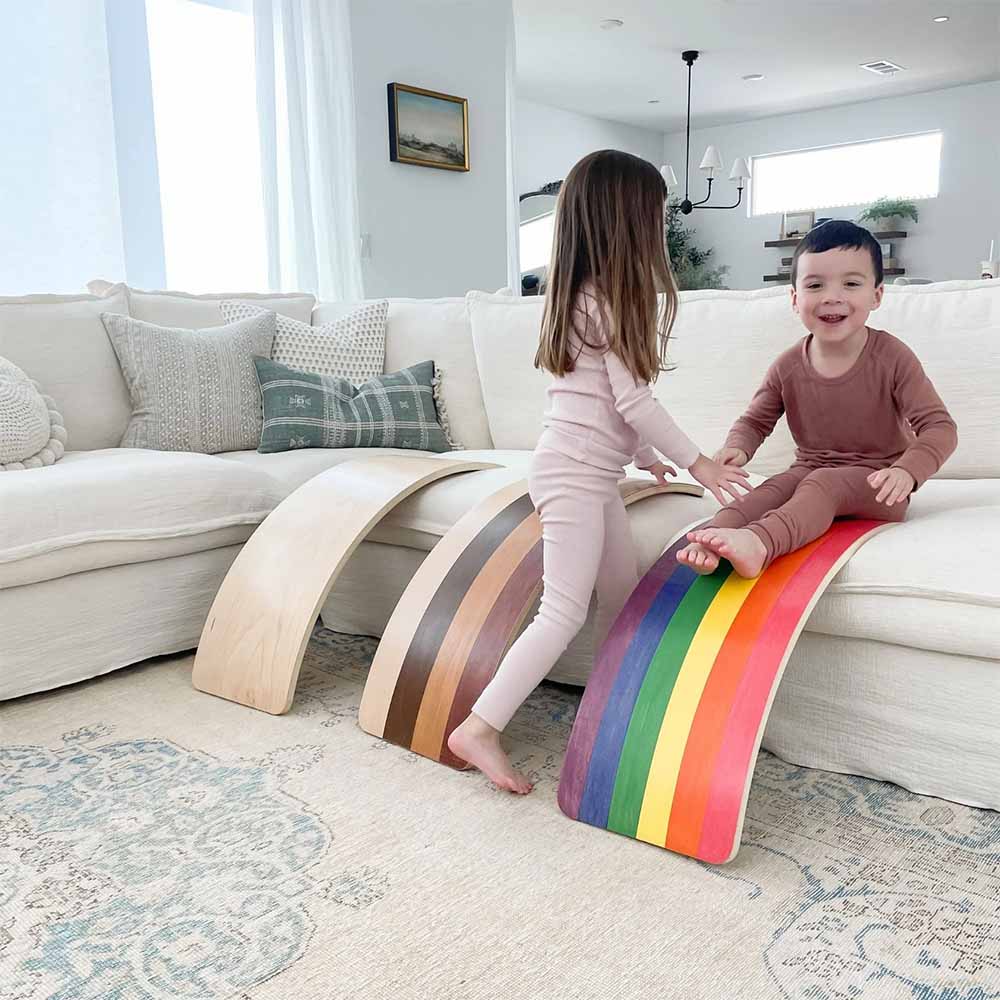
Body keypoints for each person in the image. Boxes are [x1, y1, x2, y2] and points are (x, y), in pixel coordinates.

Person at [447, 150, 749, 793]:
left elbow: (598, 402)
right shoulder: (606, 300)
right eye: (654, 215)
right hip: (574, 474)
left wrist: (642, 457)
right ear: (626, 221)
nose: (659, 229)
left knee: (622, 594)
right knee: (561, 611)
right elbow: (635, 400)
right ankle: (479, 727)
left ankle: (611, 706)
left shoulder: (580, 294)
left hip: (584, 469)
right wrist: (696, 463)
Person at [677, 219, 958, 578]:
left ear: (876, 295)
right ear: (795, 299)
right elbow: (755, 420)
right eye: (815, 285)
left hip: (878, 485)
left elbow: (940, 428)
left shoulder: (892, 356)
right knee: (770, 490)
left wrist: (907, 470)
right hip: (809, 469)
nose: (832, 296)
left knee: (820, 484)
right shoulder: (789, 364)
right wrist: (739, 447)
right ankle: (713, 536)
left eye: (851, 284)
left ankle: (760, 543)